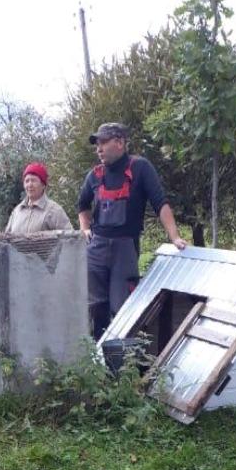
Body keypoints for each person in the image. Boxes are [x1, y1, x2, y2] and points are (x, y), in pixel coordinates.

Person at [77, 122, 187, 340]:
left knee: (122, 308)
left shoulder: (140, 168)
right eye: (97, 144)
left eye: (103, 143)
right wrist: (85, 228)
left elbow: (160, 203)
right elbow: (82, 205)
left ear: (119, 143)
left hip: (125, 248)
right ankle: (97, 355)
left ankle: (122, 359)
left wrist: (174, 236)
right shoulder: (95, 175)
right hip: (96, 249)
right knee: (95, 307)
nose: (98, 149)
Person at [5, 162, 72, 234]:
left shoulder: (55, 211)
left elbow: (69, 237)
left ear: (43, 185)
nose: (30, 185)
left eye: (33, 180)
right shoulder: (17, 211)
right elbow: (7, 238)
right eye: (27, 181)